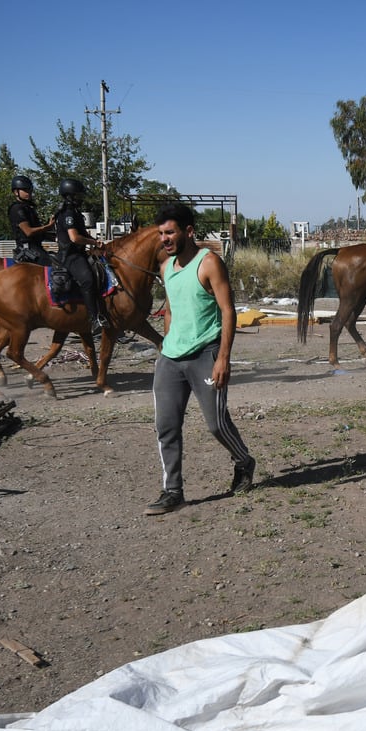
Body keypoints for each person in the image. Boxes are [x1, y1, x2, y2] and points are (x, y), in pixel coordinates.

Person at [145, 203, 256, 516]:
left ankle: (244, 462)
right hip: (170, 358)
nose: (164, 239)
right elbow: (170, 307)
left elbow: (228, 311)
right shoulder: (166, 267)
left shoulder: (209, 263)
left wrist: (223, 357)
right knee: (165, 426)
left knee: (216, 424)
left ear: (188, 231)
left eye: (170, 232)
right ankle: (173, 492)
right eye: (161, 234)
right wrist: (166, 343)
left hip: (205, 354)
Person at [54, 177, 109, 331]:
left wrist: (98, 243)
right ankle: (94, 319)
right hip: (70, 256)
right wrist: (94, 243)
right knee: (87, 280)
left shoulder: (75, 212)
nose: (81, 198)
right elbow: (75, 238)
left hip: (80, 253)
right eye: (78, 195)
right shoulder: (68, 213)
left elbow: (83, 234)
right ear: (70, 195)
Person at [7, 175, 54, 265]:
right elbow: (28, 232)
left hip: (36, 247)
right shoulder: (17, 209)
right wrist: (48, 226)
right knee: (53, 268)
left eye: (29, 190)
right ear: (16, 192)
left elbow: (38, 233)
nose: (28, 192)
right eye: (25, 190)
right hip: (28, 250)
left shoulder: (28, 208)